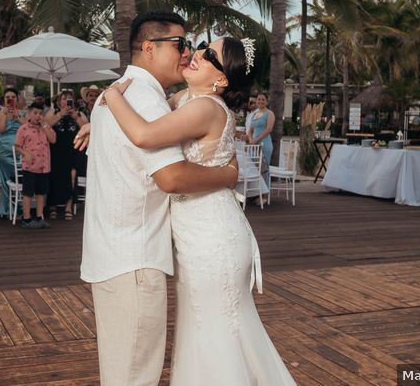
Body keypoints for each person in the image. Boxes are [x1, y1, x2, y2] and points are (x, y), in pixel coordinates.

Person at [97, 33, 294, 386]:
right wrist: (94, 125)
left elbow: (143, 134)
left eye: (210, 56)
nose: (198, 54)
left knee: (216, 334)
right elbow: (147, 116)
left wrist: (110, 96)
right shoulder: (187, 98)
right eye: (202, 47)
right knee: (207, 331)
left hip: (212, 239)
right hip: (197, 237)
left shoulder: (205, 108)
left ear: (221, 80)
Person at [76, 12, 249, 386]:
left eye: (195, 47)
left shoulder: (123, 92)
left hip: (114, 251)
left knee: (123, 372)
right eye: (181, 45)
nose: (189, 53)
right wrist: (227, 175)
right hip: (135, 258)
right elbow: (170, 177)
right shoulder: (143, 100)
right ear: (149, 48)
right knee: (134, 376)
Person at [45, 91, 88, 221]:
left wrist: (76, 117)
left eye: (69, 98)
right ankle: (52, 206)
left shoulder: (79, 113)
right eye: (64, 99)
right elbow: (46, 125)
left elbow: (86, 128)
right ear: (59, 102)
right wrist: (60, 114)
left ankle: (68, 206)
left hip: (73, 149)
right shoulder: (53, 112)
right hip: (56, 149)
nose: (66, 101)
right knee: (54, 175)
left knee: (72, 176)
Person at [14, 103, 56, 229]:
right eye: (35, 113)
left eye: (40, 113)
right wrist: (24, 153)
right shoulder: (23, 129)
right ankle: (26, 219)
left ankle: (39, 217)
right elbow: (17, 146)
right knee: (27, 193)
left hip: (43, 166)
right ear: (29, 114)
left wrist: (44, 125)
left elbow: (53, 140)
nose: (38, 116)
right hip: (30, 167)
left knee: (41, 193)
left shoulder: (45, 127)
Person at [0, 88, 25, 218]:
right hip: (4, 152)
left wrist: (17, 116)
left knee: (19, 180)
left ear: (17, 99)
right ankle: (7, 209)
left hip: (19, 151)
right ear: (4, 99)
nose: (10, 99)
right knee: (6, 180)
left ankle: (19, 208)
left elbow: (28, 128)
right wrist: (5, 114)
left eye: (13, 97)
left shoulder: (22, 113)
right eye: (7, 97)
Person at [246, 92, 275, 189]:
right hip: (253, 145)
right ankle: (256, 192)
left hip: (265, 143)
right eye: (259, 99)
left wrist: (256, 139)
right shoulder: (254, 114)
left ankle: (265, 194)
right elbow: (250, 130)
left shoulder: (269, 113)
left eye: (263, 99)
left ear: (266, 101)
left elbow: (269, 129)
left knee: (264, 168)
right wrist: (250, 139)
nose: (260, 101)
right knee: (254, 168)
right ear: (256, 101)